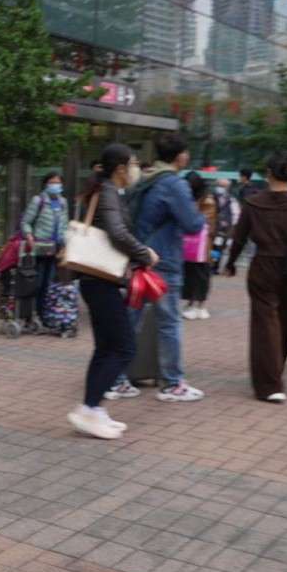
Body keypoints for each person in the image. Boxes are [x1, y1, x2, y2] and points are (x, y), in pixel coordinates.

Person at [107, 133, 206, 402]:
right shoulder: (174, 184)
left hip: (138, 258)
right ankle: (173, 384)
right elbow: (193, 224)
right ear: (181, 155)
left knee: (130, 320)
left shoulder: (146, 177)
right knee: (169, 323)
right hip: (163, 262)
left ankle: (115, 379)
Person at [68, 144, 159, 439]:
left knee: (107, 347)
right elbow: (117, 233)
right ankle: (89, 407)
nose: (137, 169)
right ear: (120, 169)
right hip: (100, 280)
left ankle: (93, 409)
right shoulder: (108, 192)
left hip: (99, 281)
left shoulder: (109, 191)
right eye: (134, 163)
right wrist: (144, 254)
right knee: (124, 347)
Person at [224, 151, 287, 403]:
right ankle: (275, 373)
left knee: (264, 323)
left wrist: (231, 263)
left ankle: (269, 385)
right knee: (284, 320)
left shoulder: (253, 203)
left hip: (262, 266)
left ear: (268, 173)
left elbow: (239, 237)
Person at [22, 173, 69, 323]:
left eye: (57, 182)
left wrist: (66, 243)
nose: (55, 185)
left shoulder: (63, 202)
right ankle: (32, 314)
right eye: (51, 182)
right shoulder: (39, 200)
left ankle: (45, 315)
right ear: (45, 184)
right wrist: (29, 235)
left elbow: (65, 225)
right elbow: (26, 222)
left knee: (50, 284)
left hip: (56, 249)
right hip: (41, 248)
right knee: (38, 283)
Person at [182, 172, 217, 320]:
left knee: (201, 275)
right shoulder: (194, 198)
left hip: (202, 246)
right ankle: (191, 303)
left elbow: (206, 222)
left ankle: (200, 306)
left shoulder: (207, 200)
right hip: (191, 244)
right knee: (191, 274)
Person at [211, 178, 239, 275]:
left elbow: (236, 215)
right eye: (220, 186)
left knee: (218, 247)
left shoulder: (231, 200)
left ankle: (215, 266)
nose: (221, 188)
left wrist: (232, 227)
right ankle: (210, 264)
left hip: (223, 228)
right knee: (211, 246)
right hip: (211, 228)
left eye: (224, 186)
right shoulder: (210, 197)